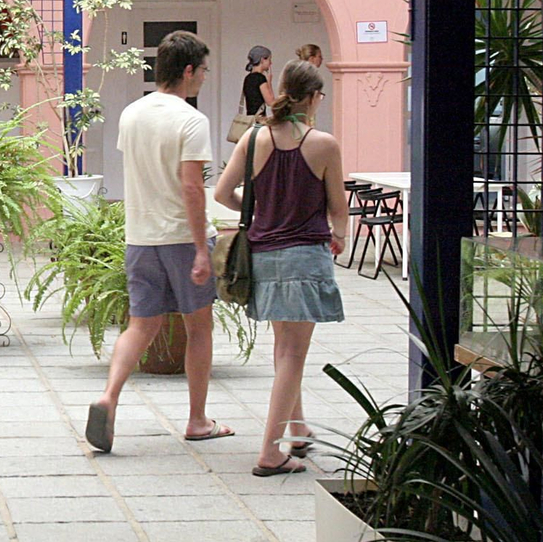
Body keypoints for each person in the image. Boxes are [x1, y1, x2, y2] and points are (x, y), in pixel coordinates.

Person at [86, 31, 230, 453]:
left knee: (141, 325)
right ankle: (198, 420)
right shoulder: (191, 120)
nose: (204, 77)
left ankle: (108, 396)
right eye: (203, 70)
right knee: (198, 328)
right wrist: (202, 249)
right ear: (188, 70)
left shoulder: (131, 114)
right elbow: (191, 187)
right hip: (182, 238)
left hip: (140, 237)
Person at [214, 59, 349, 477]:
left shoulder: (254, 138)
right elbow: (338, 206)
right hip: (305, 256)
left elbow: (222, 193)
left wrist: (258, 211)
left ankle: (298, 428)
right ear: (313, 98)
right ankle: (270, 453)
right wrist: (340, 236)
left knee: (283, 348)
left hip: (264, 255)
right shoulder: (324, 144)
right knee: (293, 352)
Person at [242, 45, 275, 117]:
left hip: (249, 118)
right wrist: (269, 83)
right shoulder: (260, 78)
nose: (270, 63)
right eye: (269, 60)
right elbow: (270, 102)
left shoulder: (248, 78)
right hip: (259, 119)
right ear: (262, 60)